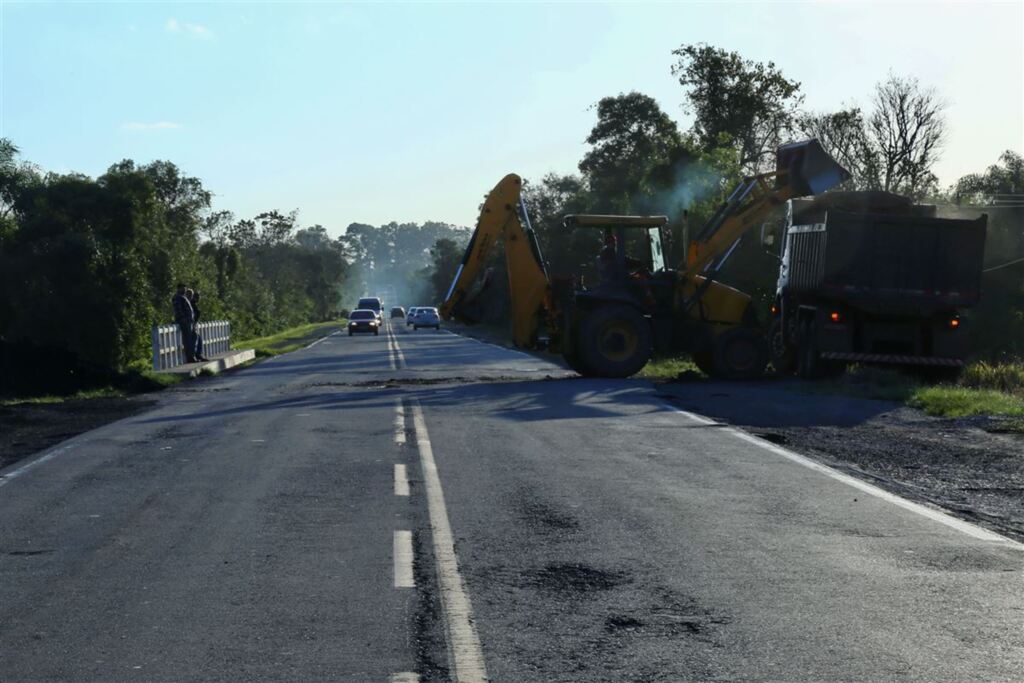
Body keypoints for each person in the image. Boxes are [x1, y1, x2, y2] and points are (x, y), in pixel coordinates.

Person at [172, 283, 197, 363]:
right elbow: (178, 309)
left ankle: (193, 355)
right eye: (183, 288)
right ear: (178, 288)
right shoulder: (177, 297)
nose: (184, 290)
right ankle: (190, 357)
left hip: (189, 321)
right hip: (184, 321)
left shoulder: (183, 297)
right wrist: (183, 318)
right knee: (187, 339)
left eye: (185, 288)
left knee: (193, 337)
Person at [188, 290, 210, 362]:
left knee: (198, 339)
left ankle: (198, 355)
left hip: (193, 324)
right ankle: (196, 355)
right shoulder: (191, 303)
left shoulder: (191, 303)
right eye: (197, 297)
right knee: (196, 340)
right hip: (191, 324)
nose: (198, 299)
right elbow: (194, 314)